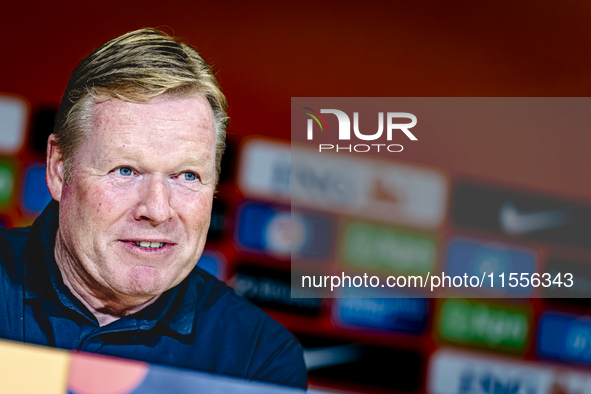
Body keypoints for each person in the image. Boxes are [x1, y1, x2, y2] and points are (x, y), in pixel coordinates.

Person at [0, 28, 307, 390]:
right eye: (125, 170)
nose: (158, 210)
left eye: (187, 175)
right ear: (57, 168)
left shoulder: (257, 360)